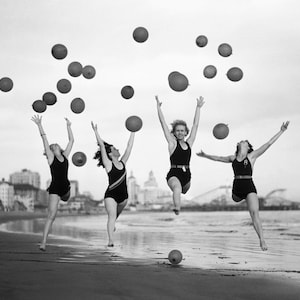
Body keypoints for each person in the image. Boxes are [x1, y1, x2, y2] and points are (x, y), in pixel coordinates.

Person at [196, 121, 290, 251]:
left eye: (245, 141)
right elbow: (218, 158)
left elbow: (268, 143)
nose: (242, 141)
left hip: (249, 186)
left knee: (254, 213)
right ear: (239, 146)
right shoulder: (232, 158)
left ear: (248, 147)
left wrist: (282, 131)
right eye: (241, 141)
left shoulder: (252, 156)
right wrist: (205, 155)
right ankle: (240, 201)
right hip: (237, 189)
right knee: (235, 199)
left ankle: (262, 240)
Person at [155, 95, 205, 215]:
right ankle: (177, 207)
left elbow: (195, 125)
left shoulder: (189, 143)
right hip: (174, 173)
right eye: (177, 130)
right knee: (177, 188)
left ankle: (178, 198)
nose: (180, 132)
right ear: (174, 133)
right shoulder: (172, 143)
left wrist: (198, 107)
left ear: (186, 132)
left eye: (182, 130)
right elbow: (163, 124)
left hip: (186, 175)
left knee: (184, 191)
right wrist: (158, 108)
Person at [31, 115, 74, 251]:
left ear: (59, 148)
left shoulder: (65, 156)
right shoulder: (51, 158)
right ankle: (43, 242)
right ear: (51, 150)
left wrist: (68, 126)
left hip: (66, 189)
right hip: (55, 189)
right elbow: (44, 138)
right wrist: (39, 125)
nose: (54, 144)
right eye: (52, 146)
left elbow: (72, 140)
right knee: (51, 215)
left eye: (56, 145)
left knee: (66, 199)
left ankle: (65, 197)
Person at [91, 121, 135, 247]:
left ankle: (112, 227)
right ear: (110, 153)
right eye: (115, 149)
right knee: (111, 216)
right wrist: (96, 132)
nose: (118, 149)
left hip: (124, 198)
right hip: (111, 195)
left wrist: (133, 131)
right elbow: (101, 145)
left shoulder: (123, 162)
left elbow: (129, 146)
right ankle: (110, 240)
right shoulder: (108, 163)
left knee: (114, 217)